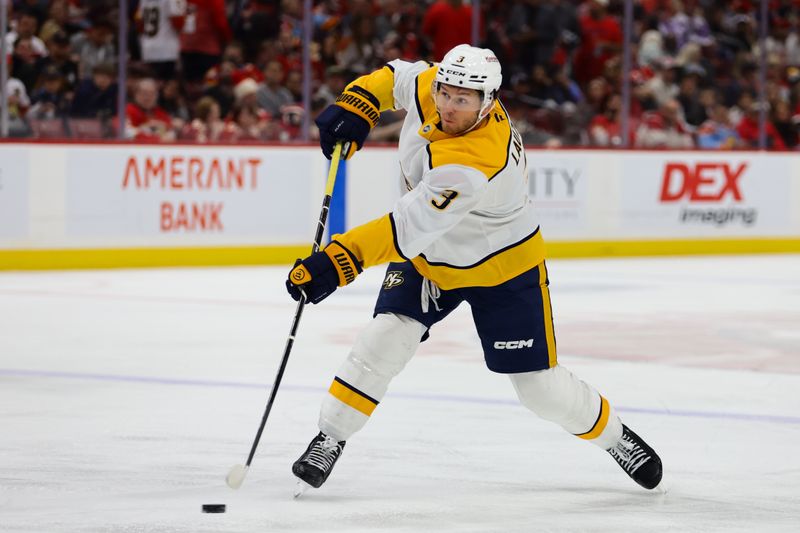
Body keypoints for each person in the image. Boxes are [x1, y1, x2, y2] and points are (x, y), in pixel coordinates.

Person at [286, 44, 663, 494]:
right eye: (446, 91)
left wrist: (337, 261)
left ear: (488, 101)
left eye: (462, 99)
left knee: (540, 390)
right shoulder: (437, 86)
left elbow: (406, 228)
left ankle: (615, 438)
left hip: (501, 269)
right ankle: (330, 437)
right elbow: (398, 76)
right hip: (430, 261)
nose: (448, 104)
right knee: (383, 339)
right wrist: (359, 104)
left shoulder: (476, 161)